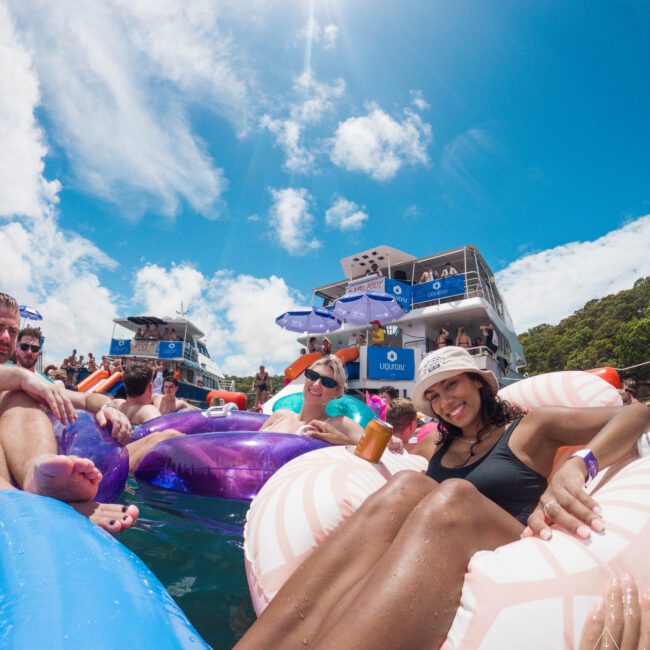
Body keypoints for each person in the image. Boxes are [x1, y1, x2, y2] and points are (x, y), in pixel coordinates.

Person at [236, 346, 650, 649]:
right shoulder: (435, 445)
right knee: (410, 487)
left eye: (451, 384)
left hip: (508, 541)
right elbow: (397, 459)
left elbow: (638, 414)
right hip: (429, 553)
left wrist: (580, 464)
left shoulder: (530, 428)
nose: (445, 401)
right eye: (433, 395)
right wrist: (375, 446)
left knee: (452, 496)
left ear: (479, 382)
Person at [0, 292, 138, 534]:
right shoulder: (25, 378)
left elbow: (85, 397)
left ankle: (38, 477)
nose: (5, 337)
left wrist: (106, 407)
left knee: (20, 397)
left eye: (12, 332)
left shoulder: (37, 383)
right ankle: (15, 499)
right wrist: (21, 377)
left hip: (22, 466)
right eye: (0, 328)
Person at [259, 356, 365, 446]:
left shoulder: (339, 424)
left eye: (327, 382)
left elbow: (377, 454)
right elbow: (247, 451)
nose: (316, 384)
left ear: (337, 392)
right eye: (313, 376)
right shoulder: (280, 415)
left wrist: (343, 441)